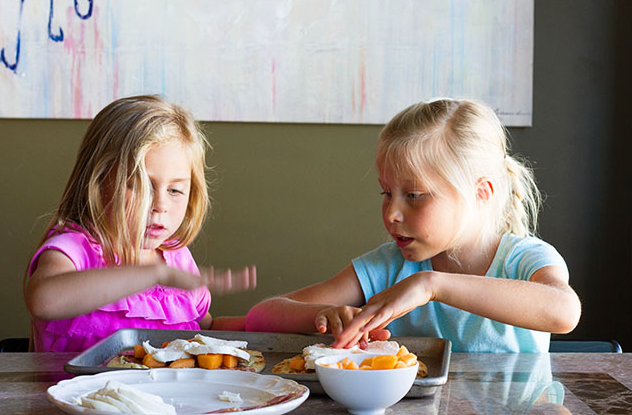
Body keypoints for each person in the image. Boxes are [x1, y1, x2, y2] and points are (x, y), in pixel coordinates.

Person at [246, 98, 581, 352]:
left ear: (480, 193)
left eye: (415, 195)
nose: (392, 213)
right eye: (386, 193)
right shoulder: (387, 267)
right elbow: (261, 317)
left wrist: (431, 285)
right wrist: (327, 315)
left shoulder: (524, 259)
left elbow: (564, 311)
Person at [24, 95, 255, 352]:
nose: (160, 205)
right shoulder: (74, 249)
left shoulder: (177, 258)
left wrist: (277, 321)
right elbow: (44, 301)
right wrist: (154, 275)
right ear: (99, 183)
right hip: (75, 393)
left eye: (175, 190)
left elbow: (203, 331)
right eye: (142, 186)